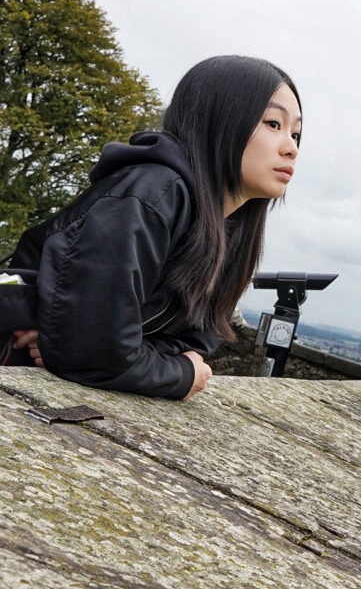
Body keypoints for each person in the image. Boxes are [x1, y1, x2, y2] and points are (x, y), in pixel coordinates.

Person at [3, 55, 301, 400]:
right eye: (274, 124)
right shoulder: (151, 194)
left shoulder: (229, 226)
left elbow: (200, 337)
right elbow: (96, 351)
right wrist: (179, 372)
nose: (291, 148)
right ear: (219, 120)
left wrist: (78, 342)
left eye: (296, 133)